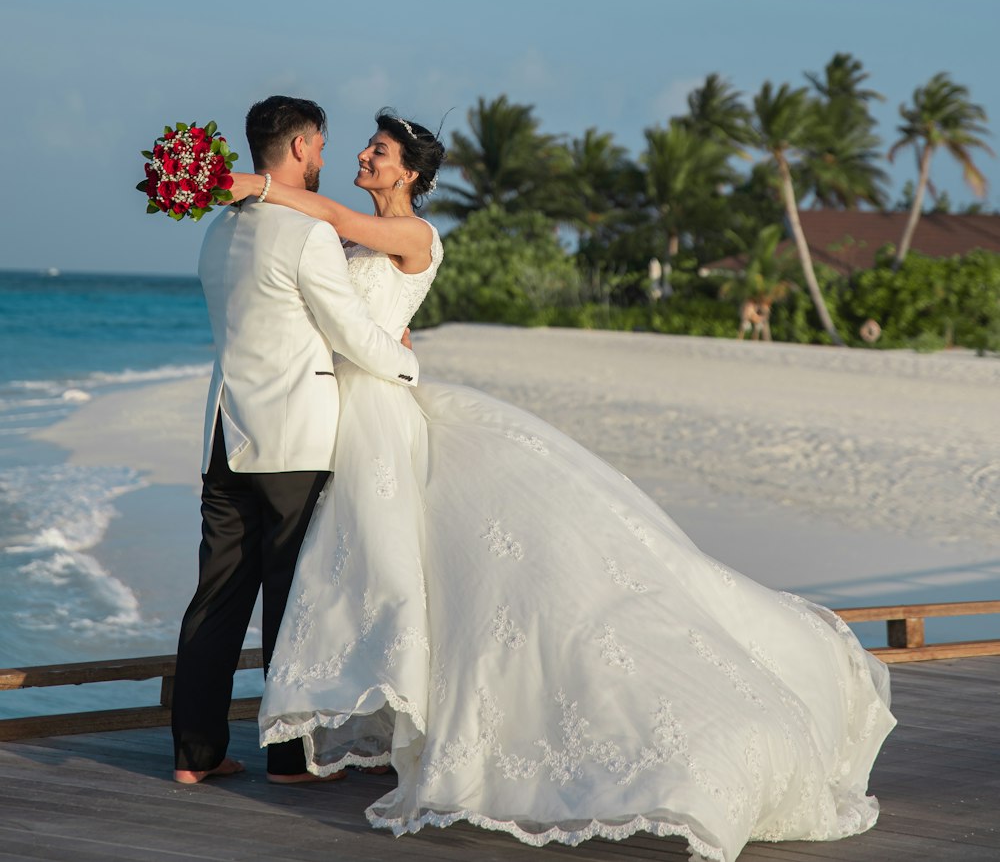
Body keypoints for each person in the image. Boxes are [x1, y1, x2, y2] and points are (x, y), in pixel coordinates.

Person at [229, 110, 894, 860]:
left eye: (377, 151)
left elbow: (336, 218)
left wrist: (246, 184)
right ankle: (401, 716)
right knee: (398, 575)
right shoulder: (350, 239)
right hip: (351, 410)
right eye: (365, 147)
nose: (362, 154)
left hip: (384, 410)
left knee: (404, 569)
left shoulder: (414, 234)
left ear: (409, 172)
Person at [171, 96, 418, 785]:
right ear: (304, 147)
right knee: (289, 598)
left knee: (215, 595)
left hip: (226, 432)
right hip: (295, 438)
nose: (331, 158)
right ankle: (287, 758)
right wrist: (409, 363)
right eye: (324, 146)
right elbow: (347, 330)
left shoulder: (218, 229)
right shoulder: (306, 234)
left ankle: (194, 755)